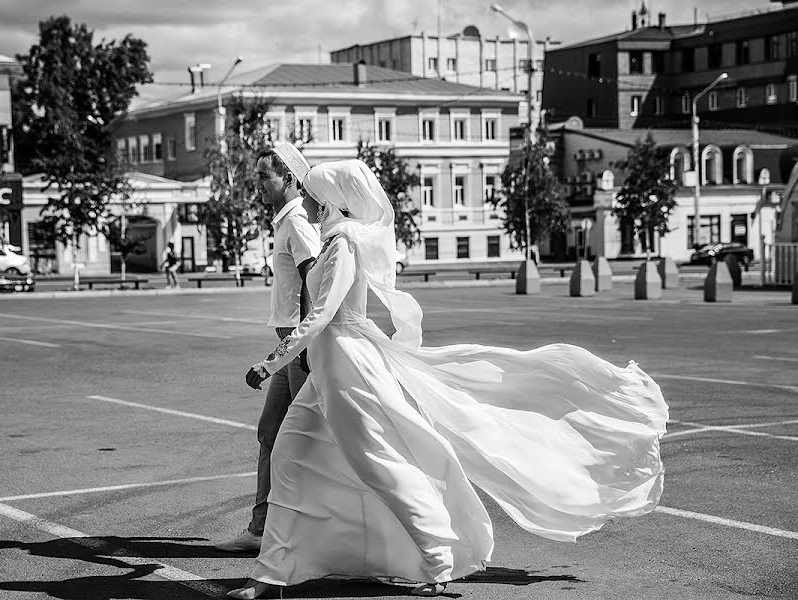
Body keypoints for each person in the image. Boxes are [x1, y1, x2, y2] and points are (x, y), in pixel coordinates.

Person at [228, 160, 668, 599]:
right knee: (289, 452)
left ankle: (437, 557)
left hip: (345, 367)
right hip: (328, 366)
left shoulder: (343, 243)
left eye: (314, 194)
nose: (307, 200)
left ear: (331, 201)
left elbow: (324, 314)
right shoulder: (332, 241)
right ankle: (272, 574)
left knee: (379, 465)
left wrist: (270, 363)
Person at [214, 143, 321, 553]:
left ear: (289, 180)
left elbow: (312, 278)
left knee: (306, 441)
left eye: (264, 176)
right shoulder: (284, 222)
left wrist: (304, 347)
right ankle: (260, 529)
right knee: (270, 432)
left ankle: (310, 533)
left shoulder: (297, 222)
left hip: (299, 348)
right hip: (288, 346)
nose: (256, 182)